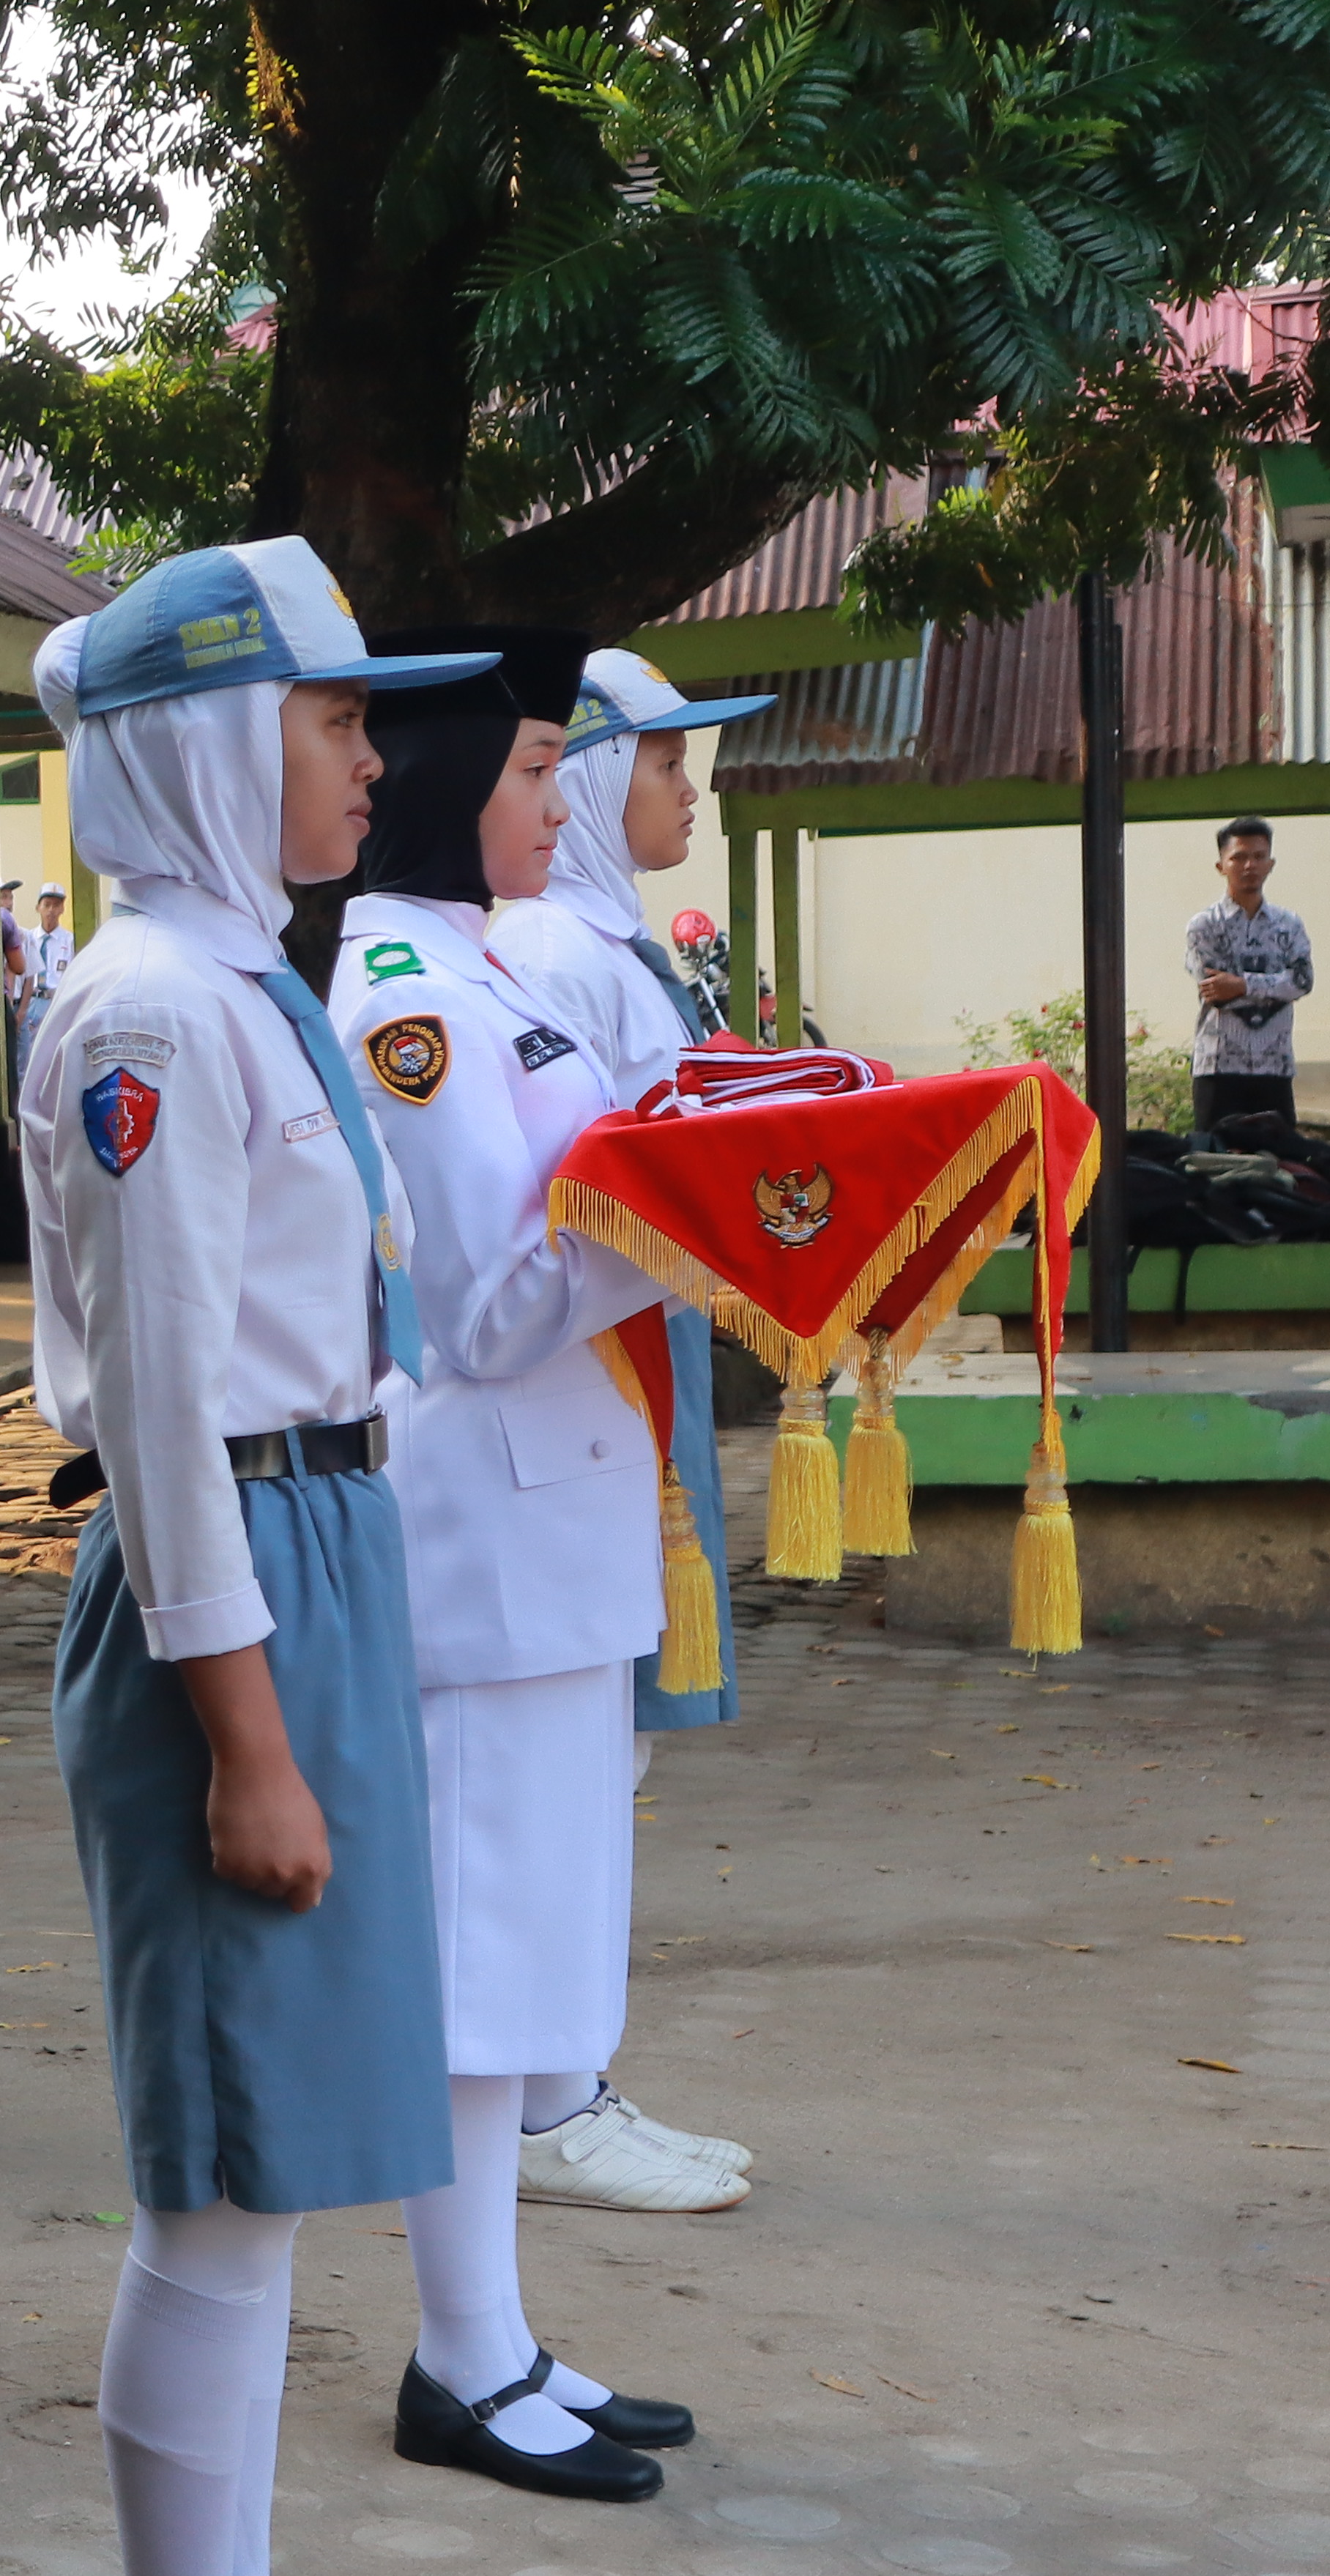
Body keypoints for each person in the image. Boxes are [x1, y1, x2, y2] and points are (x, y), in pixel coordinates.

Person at [13, 545, 497, 2576]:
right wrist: (251, 1739)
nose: (366, 758)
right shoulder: (144, 1019)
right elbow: (166, 1409)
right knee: (216, 2175)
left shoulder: (237, 984)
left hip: (317, 1543)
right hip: (236, 1588)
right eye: (328, 719)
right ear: (211, 741)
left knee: (275, 2161)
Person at [332, 625, 723, 2517]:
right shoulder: (402, 994)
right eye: (521, 771)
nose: (553, 800)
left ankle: (495, 2335)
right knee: (482, 1971)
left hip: (561, 1510)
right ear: (431, 790)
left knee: (539, 1954)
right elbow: (486, 1303)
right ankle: (460, 2354)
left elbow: (592, 1183)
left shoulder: (498, 972)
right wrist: (697, 1228)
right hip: (484, 1513)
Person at [491, 652, 780, 2205]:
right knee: (581, 1744)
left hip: (629, 1349)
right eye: (670, 764)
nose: (693, 793)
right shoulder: (559, 950)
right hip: (584, 1356)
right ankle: (554, 2094)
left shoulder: (603, 940)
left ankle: (573, 2074)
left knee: (609, 1747)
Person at [1188, 816, 1311, 1135]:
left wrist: (1242, 984)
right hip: (1219, 1066)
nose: (1249, 866)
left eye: (1258, 857)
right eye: (1239, 857)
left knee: (1280, 1166)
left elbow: (1302, 981)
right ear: (1221, 866)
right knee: (1214, 1165)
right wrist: (1274, 985)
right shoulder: (1205, 926)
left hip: (1275, 1065)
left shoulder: (1289, 925)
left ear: (1271, 864)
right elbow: (1215, 991)